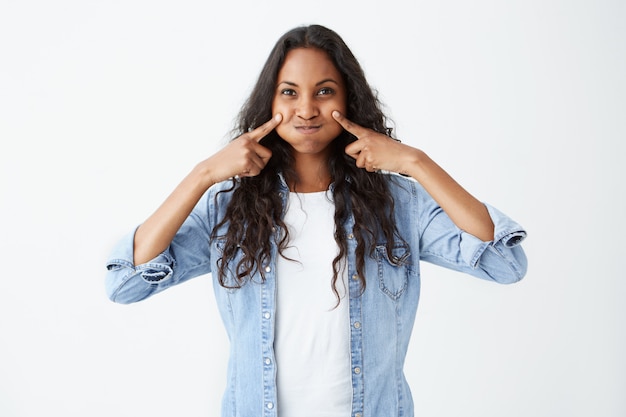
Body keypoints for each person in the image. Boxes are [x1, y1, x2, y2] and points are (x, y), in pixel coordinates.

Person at [105, 24, 527, 417]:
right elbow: (126, 281)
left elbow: (505, 263)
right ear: (270, 102)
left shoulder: (397, 204)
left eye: (324, 91)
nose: (306, 109)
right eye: (289, 92)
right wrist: (203, 174)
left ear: (348, 100)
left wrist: (415, 162)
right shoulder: (232, 208)